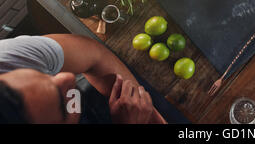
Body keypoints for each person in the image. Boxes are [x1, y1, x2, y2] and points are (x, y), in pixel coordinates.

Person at [0, 34, 167, 124]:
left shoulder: (6, 58)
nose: (68, 76)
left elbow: (95, 56)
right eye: (61, 103)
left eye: (43, 75)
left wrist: (151, 118)